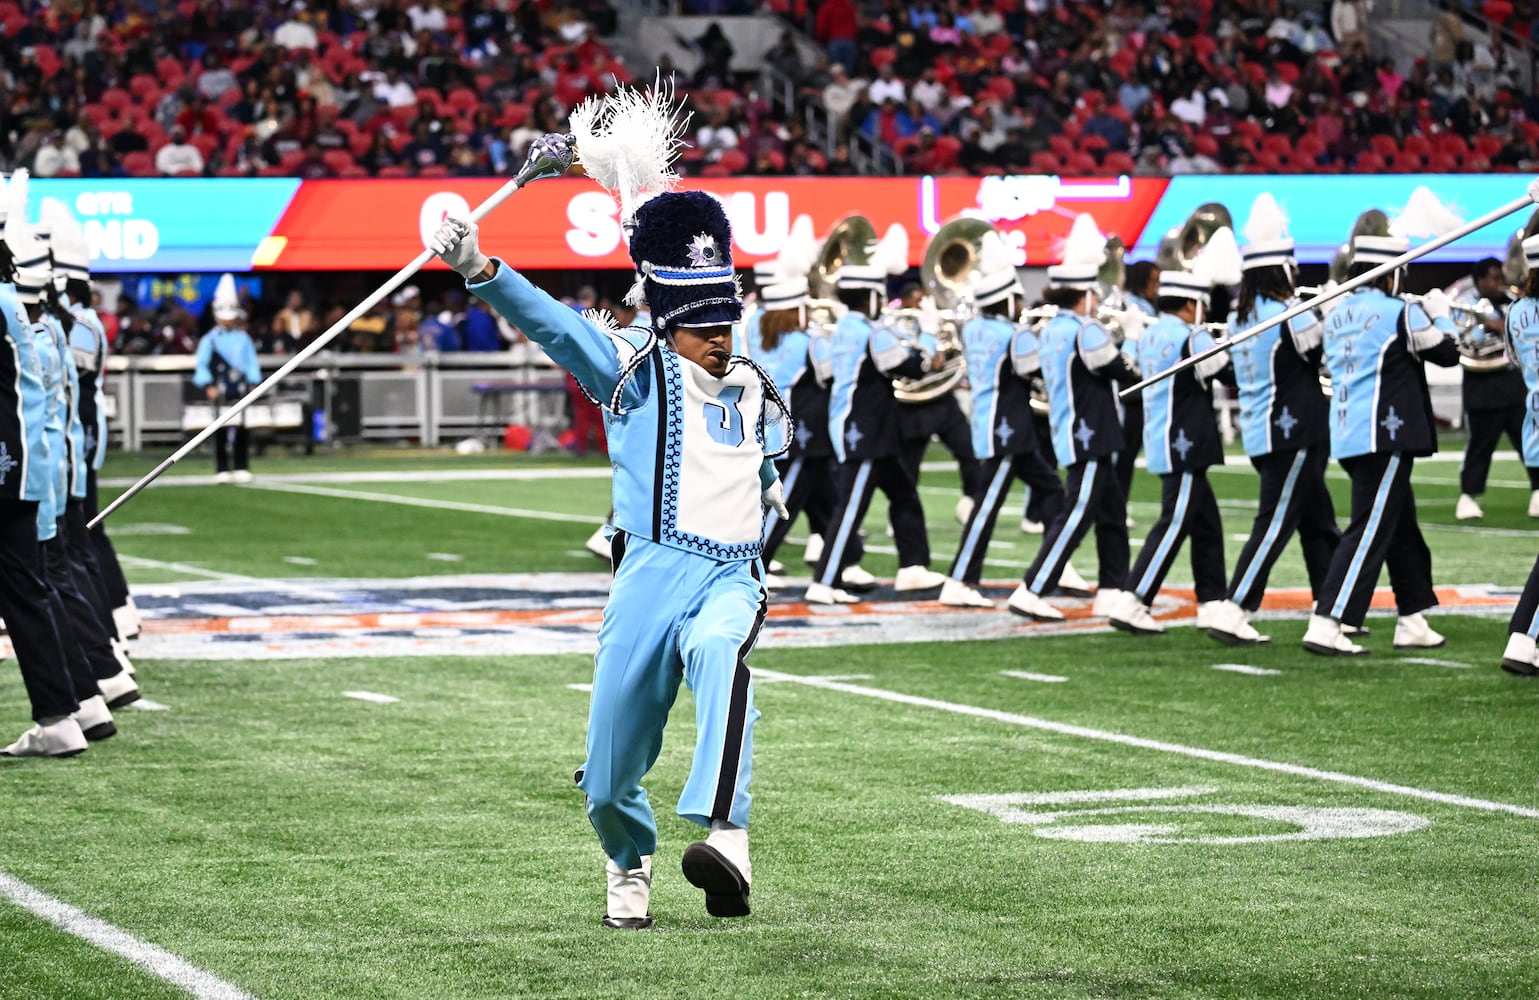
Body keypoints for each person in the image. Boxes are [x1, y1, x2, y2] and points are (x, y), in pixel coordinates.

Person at [430, 172, 789, 928]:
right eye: (700, 322)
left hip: (731, 574)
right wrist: (478, 268)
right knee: (607, 772)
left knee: (723, 658)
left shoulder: (748, 375)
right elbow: (557, 326)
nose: (719, 335)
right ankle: (628, 865)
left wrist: (768, 487)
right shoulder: (634, 367)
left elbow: (757, 453)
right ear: (662, 319)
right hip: (648, 576)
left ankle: (728, 837)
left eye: (726, 316)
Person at [1302, 231, 1459, 656]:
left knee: (1400, 526)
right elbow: (1448, 353)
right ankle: (1327, 619)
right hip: (1385, 434)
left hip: (1350, 433)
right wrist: (1440, 315)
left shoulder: (1334, 313)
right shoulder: (1399, 312)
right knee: (1370, 529)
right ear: (1391, 273)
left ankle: (1412, 617)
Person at [1205, 195, 1340, 646]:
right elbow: (1322, 356)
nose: (1297, 275)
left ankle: (1333, 610)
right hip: (1295, 431)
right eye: (1291, 268)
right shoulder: (1288, 315)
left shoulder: (1242, 319)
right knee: (1277, 522)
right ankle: (1235, 605)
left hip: (1264, 433)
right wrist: (1329, 312)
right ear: (1279, 270)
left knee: (1318, 522)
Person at [0, 175, 102, 758]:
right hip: (25, 472)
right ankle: (62, 716)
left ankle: (69, 712)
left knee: (35, 589)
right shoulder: (19, 308)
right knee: (29, 593)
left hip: (7, 468)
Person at [808, 226, 947, 604]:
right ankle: (824, 581)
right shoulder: (871, 331)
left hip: (869, 426)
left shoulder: (845, 329)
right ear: (870, 294)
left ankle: (913, 567)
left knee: (904, 494)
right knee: (851, 507)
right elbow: (910, 366)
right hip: (864, 427)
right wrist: (930, 338)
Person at [1011, 216, 1138, 622]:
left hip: (1076, 429)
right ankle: (1032, 588)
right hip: (1090, 432)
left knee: (1112, 514)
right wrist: (1132, 337)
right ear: (1083, 293)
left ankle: (1113, 588)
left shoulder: (1052, 329)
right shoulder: (1085, 330)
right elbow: (1126, 371)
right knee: (1079, 514)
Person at [941, 242, 1076, 608]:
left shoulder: (973, 329)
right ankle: (960, 579)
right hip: (1008, 429)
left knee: (1051, 490)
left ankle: (1058, 562)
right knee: (987, 507)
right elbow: (1036, 371)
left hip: (994, 425)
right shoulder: (1014, 335)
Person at [1115, 237, 1239, 636]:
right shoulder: (1192, 335)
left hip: (1163, 436)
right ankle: (1134, 598)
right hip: (1186, 440)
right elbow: (1227, 372)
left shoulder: (1151, 334)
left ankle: (1212, 601)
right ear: (1191, 304)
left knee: (1207, 526)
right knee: (1175, 522)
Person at [1454, 258, 1539, 519]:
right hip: (1481, 389)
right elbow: (1462, 343)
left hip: (1513, 386)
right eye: (1492, 278)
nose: (1498, 283)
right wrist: (1486, 329)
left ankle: (1537, 492)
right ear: (1478, 280)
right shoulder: (1464, 304)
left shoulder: (1513, 305)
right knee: (1480, 446)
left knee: (1529, 442)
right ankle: (1468, 496)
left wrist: (1498, 327)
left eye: (1499, 277)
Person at [193, 275, 262, 484]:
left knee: (242, 429)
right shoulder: (210, 340)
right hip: (219, 388)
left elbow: (251, 362)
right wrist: (208, 384)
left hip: (239, 388)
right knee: (220, 429)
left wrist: (253, 382)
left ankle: (241, 466)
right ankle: (222, 467)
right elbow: (202, 365)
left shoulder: (243, 338)